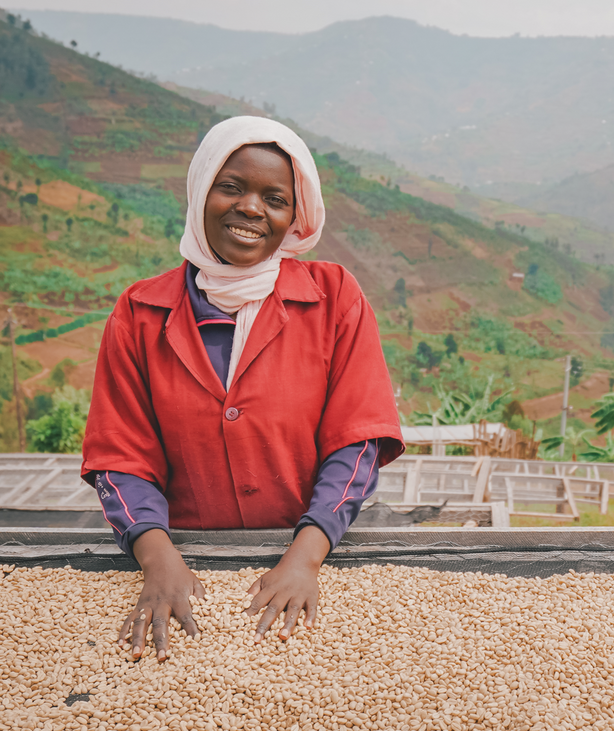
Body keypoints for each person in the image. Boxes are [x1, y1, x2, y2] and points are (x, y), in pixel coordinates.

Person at [82, 116, 403, 663]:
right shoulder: (139, 312)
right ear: (200, 189)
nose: (252, 208)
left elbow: (357, 441)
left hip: (312, 545)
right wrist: (160, 563)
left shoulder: (333, 299)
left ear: (294, 217)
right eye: (231, 186)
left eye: (275, 198)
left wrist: (304, 559)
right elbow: (120, 455)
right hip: (187, 554)